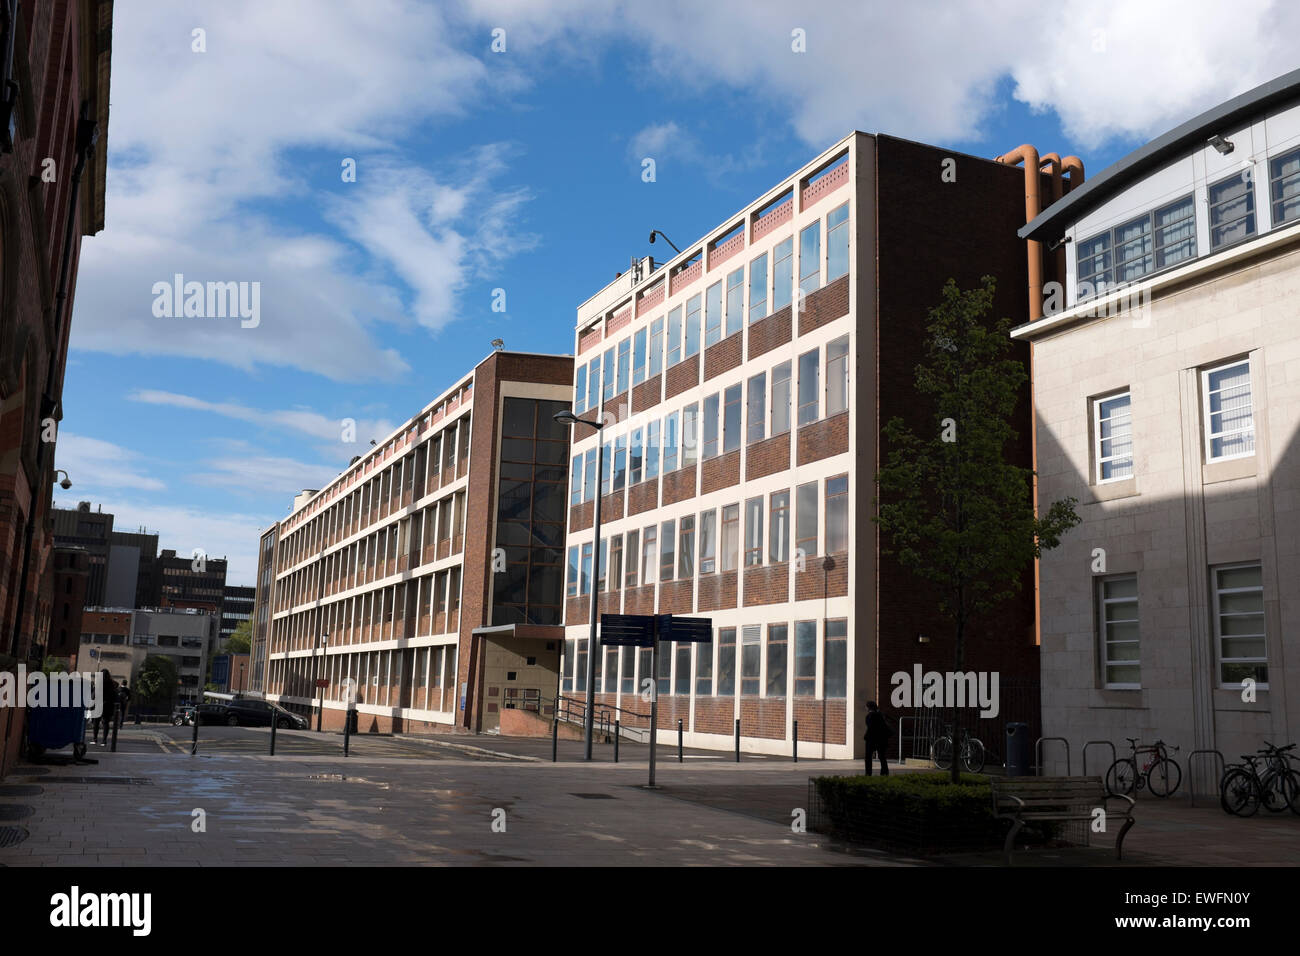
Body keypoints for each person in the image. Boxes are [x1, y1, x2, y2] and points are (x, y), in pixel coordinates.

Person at [863, 700, 891, 776]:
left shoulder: (869, 716)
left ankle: (868, 773)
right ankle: (884, 772)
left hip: (871, 740)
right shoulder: (881, 715)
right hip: (882, 739)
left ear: (868, 707)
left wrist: (866, 737)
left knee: (868, 757)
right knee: (882, 757)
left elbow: (870, 728)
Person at [92, 669, 118, 745]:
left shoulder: (99, 683)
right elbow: (114, 696)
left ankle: (95, 739)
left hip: (98, 705)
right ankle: (104, 741)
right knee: (106, 723)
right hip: (108, 706)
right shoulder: (112, 684)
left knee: (96, 723)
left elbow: (94, 695)